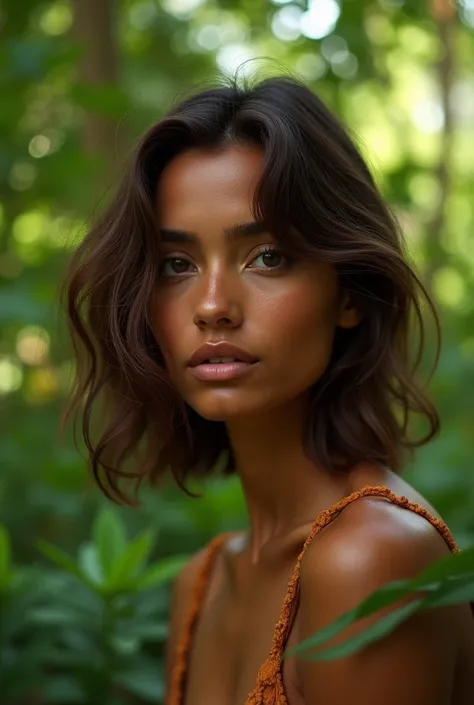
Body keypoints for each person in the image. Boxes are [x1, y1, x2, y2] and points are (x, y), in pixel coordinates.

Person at [63, 75, 474, 704]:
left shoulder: (370, 558)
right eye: (177, 265)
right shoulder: (201, 582)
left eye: (268, 257)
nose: (212, 306)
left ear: (349, 294)